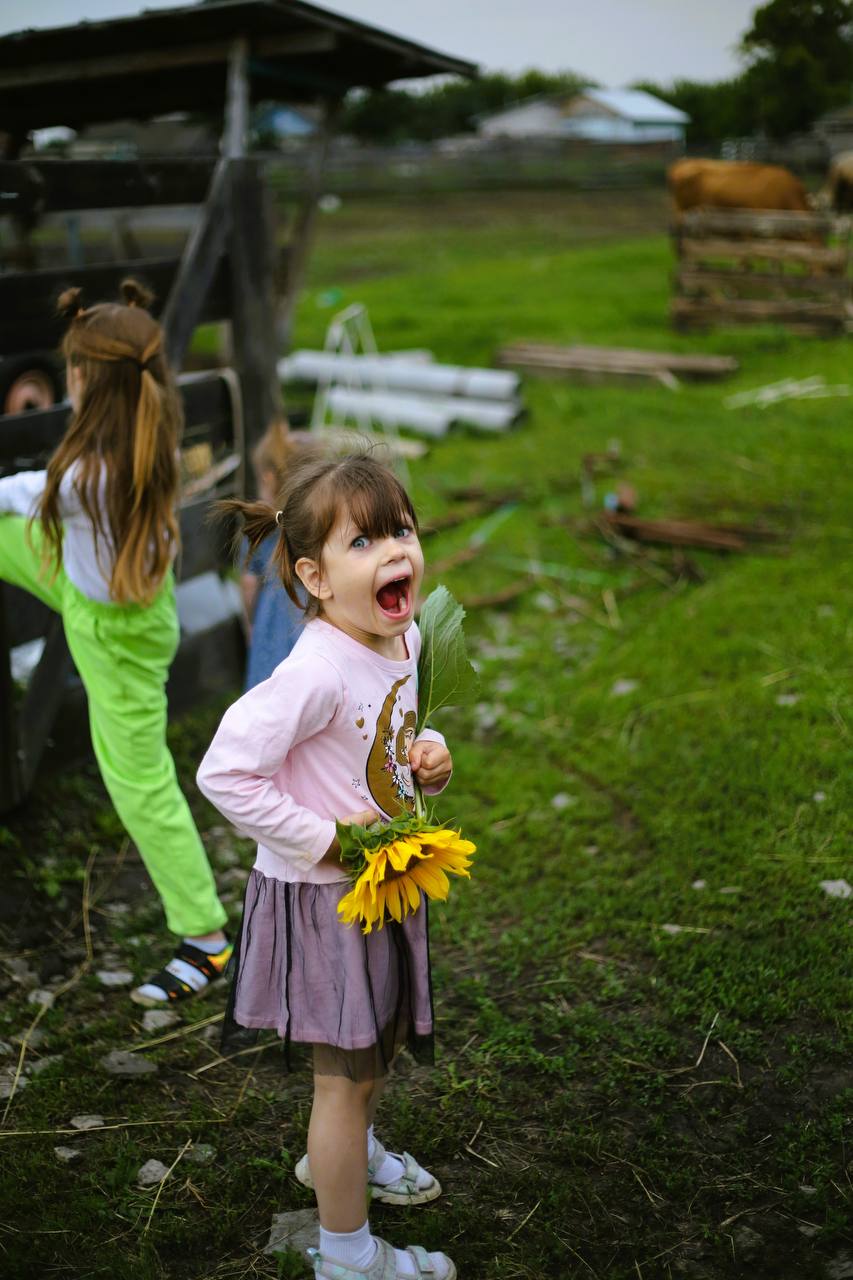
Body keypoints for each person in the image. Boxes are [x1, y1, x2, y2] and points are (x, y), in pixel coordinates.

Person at [197, 453, 457, 1280]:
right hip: (323, 902)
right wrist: (321, 838)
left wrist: (427, 758)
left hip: (382, 884)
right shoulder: (310, 672)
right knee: (341, 1084)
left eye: (402, 530)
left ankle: (343, 1156)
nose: (395, 551)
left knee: (371, 1052)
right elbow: (223, 773)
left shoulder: (401, 634)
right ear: (314, 576)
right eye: (365, 540)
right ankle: (347, 1255)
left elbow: (381, 743)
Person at [0, 279, 231, 1006]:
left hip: (118, 640)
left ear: (82, 383)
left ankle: (206, 938)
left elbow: (23, 494)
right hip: (117, 597)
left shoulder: (84, 480)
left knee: (141, 786)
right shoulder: (148, 437)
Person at [240, 419, 304, 689]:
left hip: (274, 618)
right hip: (311, 613)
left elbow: (249, 583)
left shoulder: (259, 524)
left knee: (270, 689)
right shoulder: (315, 518)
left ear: (267, 477)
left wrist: (250, 625)